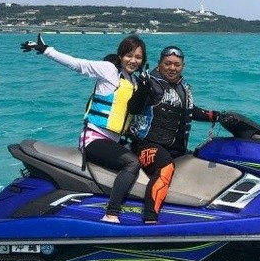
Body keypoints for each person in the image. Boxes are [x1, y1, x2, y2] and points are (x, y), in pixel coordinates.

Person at [21, 33, 147, 223]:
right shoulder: (109, 70)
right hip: (93, 139)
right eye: (129, 55)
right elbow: (77, 64)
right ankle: (111, 213)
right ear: (120, 56)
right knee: (132, 163)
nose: (133, 60)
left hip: (113, 141)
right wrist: (47, 50)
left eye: (138, 57)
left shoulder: (134, 82)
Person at [128, 45, 221, 223]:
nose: (172, 68)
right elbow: (134, 108)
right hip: (146, 146)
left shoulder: (183, 86)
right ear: (159, 64)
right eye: (168, 63)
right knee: (165, 166)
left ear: (182, 66)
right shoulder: (149, 83)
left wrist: (215, 116)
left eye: (177, 65)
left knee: (201, 162)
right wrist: (142, 90)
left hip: (176, 149)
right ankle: (150, 219)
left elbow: (189, 110)